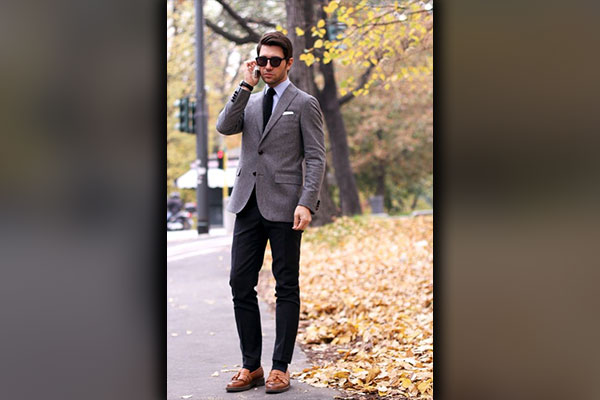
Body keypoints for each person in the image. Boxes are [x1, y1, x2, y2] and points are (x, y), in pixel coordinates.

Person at [216, 31, 326, 394]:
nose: (266, 67)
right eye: (261, 60)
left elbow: (315, 156)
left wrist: (307, 202)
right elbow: (224, 126)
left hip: (285, 207)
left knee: (286, 286)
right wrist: (244, 86)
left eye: (273, 61)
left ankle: (280, 367)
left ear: (288, 63)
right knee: (239, 283)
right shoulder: (247, 100)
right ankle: (252, 366)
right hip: (247, 204)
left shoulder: (304, 102)